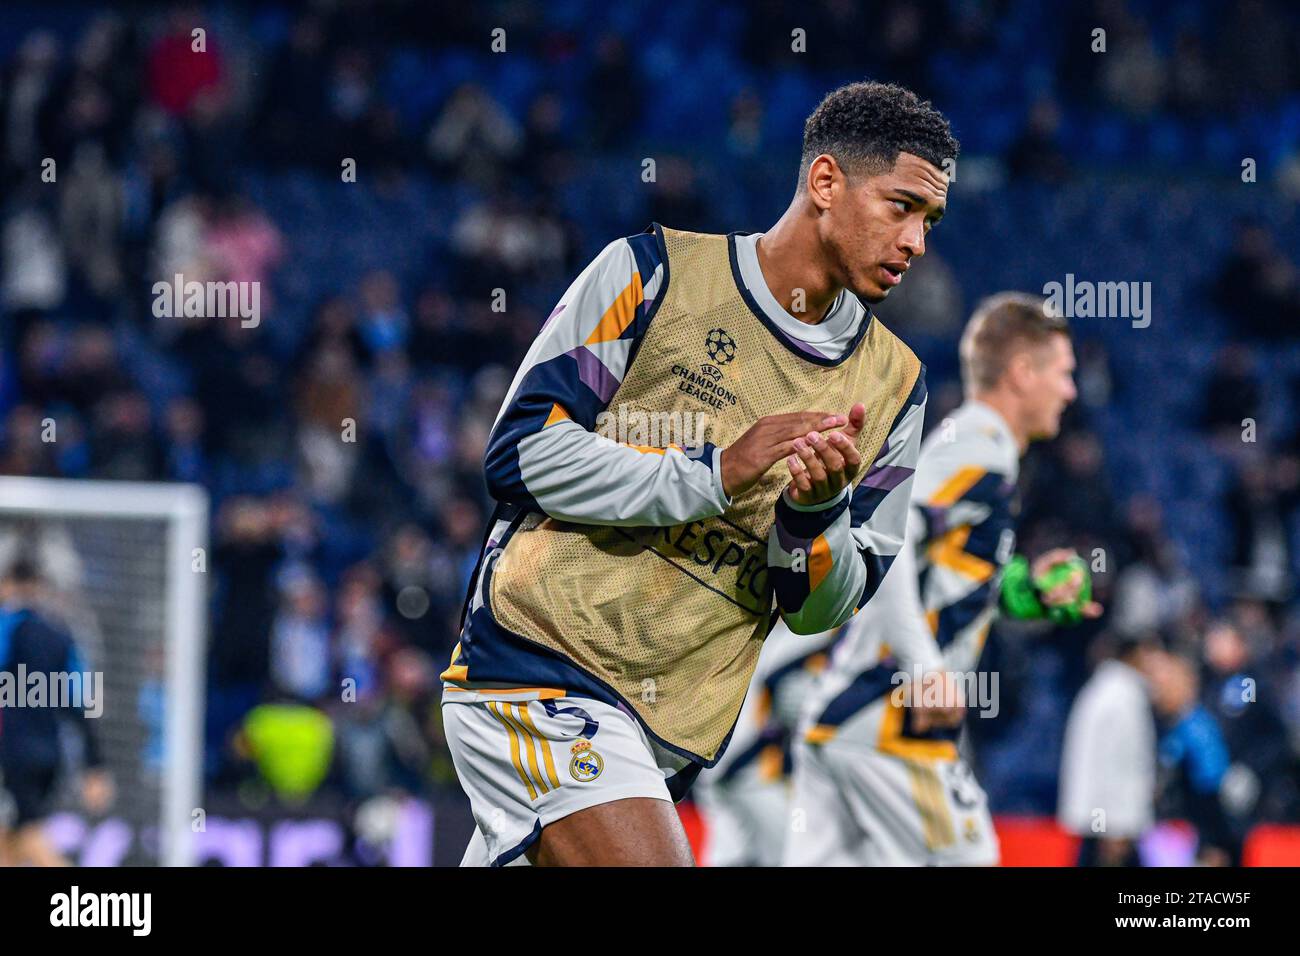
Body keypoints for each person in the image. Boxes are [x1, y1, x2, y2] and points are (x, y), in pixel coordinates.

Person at [440, 81, 958, 866]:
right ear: (825, 183)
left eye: (931, 221)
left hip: (666, 737)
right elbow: (520, 451)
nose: (917, 241)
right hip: (537, 666)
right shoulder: (651, 274)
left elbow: (823, 608)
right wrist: (716, 470)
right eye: (901, 207)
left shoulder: (896, 387)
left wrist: (813, 515)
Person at [785, 292, 1097, 866]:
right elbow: (888, 543)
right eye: (1063, 373)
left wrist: (1025, 590)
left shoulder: (980, 449)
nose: (1071, 391)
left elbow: (941, 578)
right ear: (1022, 373)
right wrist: (925, 668)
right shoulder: (977, 445)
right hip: (888, 722)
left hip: (845, 718)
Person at [0, 559, 113, 866]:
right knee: (8, 842)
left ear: (8, 585)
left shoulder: (5, 628)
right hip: (50, 757)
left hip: (11, 755)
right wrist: (95, 764)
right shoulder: (61, 636)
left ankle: (87, 908)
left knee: (30, 836)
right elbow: (80, 703)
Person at [1059, 635, 1157, 867]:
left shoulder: (1099, 689)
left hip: (1097, 818)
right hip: (1112, 822)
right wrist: (1115, 826)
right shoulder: (1123, 697)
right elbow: (1119, 765)